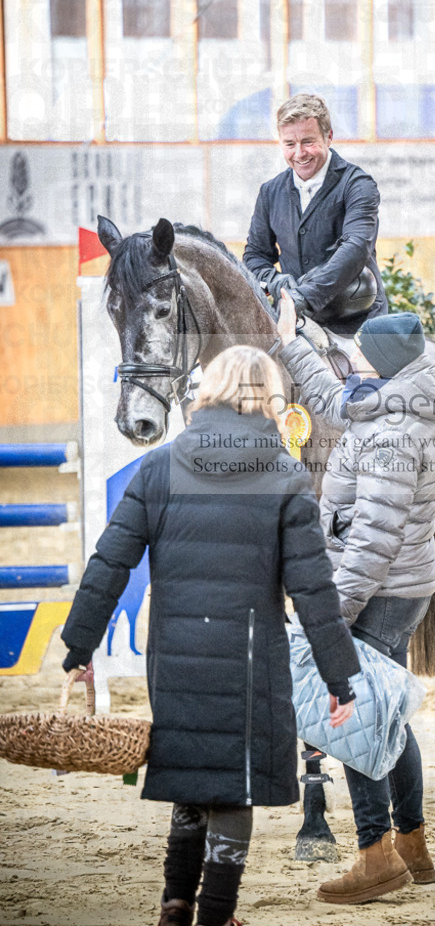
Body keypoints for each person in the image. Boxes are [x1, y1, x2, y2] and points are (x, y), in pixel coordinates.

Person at [60, 345, 360, 926]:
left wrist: (79, 647)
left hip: (176, 659)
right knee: (234, 789)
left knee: (191, 779)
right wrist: (339, 676)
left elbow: (109, 564)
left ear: (206, 392)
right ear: (268, 398)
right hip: (251, 661)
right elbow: (314, 590)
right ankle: (216, 915)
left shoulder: (157, 468)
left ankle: (175, 906)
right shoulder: (285, 474)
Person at [277, 289, 435, 905]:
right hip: (399, 585)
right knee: (384, 712)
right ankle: (411, 842)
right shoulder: (392, 402)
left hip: (378, 590)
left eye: (360, 351)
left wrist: (335, 617)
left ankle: (375, 852)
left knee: (354, 712)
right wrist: (289, 339)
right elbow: (331, 400)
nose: (351, 356)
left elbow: (373, 543)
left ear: (383, 363)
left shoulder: (392, 435)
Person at [243, 92, 388, 334]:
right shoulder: (269, 192)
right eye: (289, 144)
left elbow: (355, 248)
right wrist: (274, 281)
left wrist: (304, 297)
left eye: (308, 142)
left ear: (328, 137)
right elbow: (256, 256)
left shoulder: (358, 185)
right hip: (297, 324)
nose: (299, 153)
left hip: (358, 324)